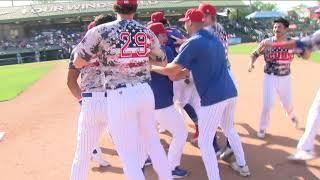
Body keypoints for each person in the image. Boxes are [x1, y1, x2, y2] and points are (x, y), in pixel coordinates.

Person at [72, 0, 173, 179]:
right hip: (144, 90)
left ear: (115, 7)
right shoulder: (147, 31)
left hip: (119, 93)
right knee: (153, 144)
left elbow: (78, 62)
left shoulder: (99, 30)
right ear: (135, 8)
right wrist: (137, 58)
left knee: (128, 157)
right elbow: (163, 62)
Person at [151, 8, 250, 179]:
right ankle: (243, 166)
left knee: (204, 143)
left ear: (189, 22)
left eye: (186, 23)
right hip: (230, 92)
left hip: (213, 97)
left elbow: (172, 70)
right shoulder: (215, 39)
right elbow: (193, 67)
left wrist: (149, 66)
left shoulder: (193, 41)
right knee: (230, 129)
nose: (185, 26)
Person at [264, 8, 320, 161]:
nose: (318, 19)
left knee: (316, 111)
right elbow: (306, 51)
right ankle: (306, 147)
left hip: (284, 76)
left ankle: (306, 148)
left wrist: (274, 46)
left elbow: (303, 44)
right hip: (272, 75)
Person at [67, 14, 117, 169]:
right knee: (130, 150)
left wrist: (82, 100)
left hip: (91, 100)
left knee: (81, 155)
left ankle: (95, 154)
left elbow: (70, 81)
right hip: (116, 99)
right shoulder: (120, 47)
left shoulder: (79, 49)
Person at [148, 11, 200, 148]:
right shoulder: (176, 32)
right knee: (183, 103)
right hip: (174, 75)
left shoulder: (144, 47)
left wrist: (151, 67)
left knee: (177, 104)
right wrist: (186, 74)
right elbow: (171, 72)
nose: (166, 36)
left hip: (151, 91)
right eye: (163, 34)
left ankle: (147, 154)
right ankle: (197, 125)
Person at [146, 22, 189, 178]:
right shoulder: (166, 50)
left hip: (145, 101)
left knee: (150, 135)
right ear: (156, 37)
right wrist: (188, 72)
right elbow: (172, 75)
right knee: (181, 132)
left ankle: (146, 159)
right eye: (163, 34)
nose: (166, 37)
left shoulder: (141, 52)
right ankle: (171, 167)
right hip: (162, 102)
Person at [249, 18, 299, 139]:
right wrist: (251, 63)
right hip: (269, 77)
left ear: (286, 29)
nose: (276, 29)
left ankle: (292, 115)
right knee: (267, 104)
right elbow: (254, 54)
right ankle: (262, 127)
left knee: (287, 104)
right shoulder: (266, 43)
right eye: (275, 27)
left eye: (280, 27)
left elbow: (304, 53)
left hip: (285, 78)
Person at [198, 2, 234, 160]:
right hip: (226, 73)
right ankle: (230, 145)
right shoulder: (219, 27)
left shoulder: (207, 30)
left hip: (215, 77)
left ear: (209, 16)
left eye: (202, 15)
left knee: (208, 113)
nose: (200, 18)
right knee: (226, 116)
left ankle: (213, 147)